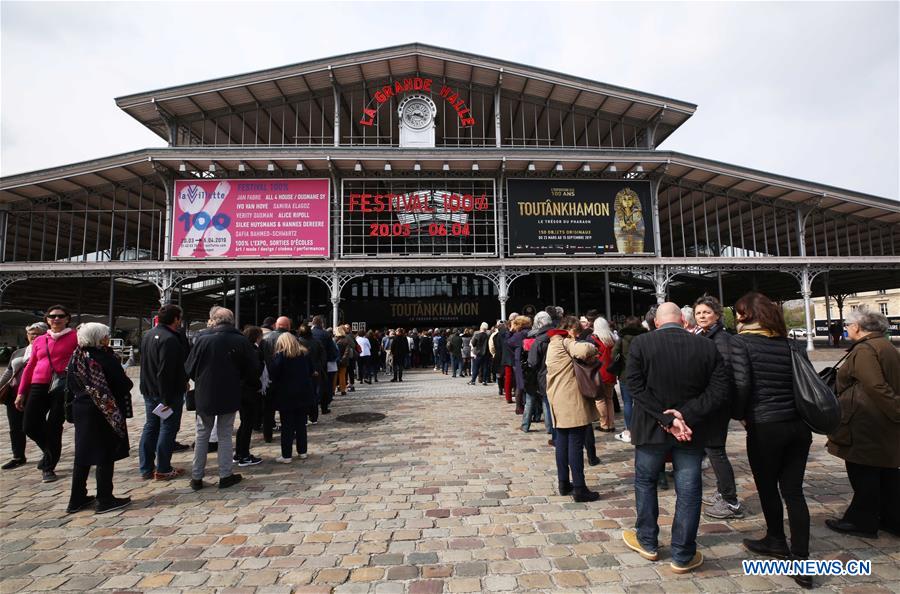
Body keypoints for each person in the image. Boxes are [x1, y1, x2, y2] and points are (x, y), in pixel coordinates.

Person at [622, 302, 729, 574]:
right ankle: (682, 554)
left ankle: (647, 541)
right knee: (689, 491)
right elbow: (719, 391)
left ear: (656, 322)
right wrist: (684, 415)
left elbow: (634, 386)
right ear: (683, 320)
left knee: (645, 482)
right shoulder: (706, 346)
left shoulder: (641, 344)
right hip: (690, 431)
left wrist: (666, 418)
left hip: (650, 429)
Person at [731, 292, 813, 589]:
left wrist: (739, 414)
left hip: (765, 425)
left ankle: (776, 539)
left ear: (746, 315)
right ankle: (802, 559)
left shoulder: (741, 343)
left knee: (767, 486)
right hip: (799, 426)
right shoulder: (793, 344)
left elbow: (741, 384)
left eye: (738, 312)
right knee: (794, 491)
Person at [825, 308, 900, 539]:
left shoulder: (865, 350)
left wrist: (897, 410)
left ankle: (862, 521)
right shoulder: (885, 345)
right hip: (880, 421)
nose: (847, 328)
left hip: (866, 421)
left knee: (863, 471)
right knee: (886, 472)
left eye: (848, 325)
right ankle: (891, 519)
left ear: (858, 327)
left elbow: (875, 386)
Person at [184, 308, 258, 491]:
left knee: (202, 435)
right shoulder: (240, 340)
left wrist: (202, 381)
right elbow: (252, 369)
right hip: (230, 392)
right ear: (231, 320)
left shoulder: (202, 339)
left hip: (205, 393)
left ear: (213, 320)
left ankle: (197, 477)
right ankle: (225, 475)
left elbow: (189, 368)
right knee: (225, 434)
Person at [65, 323, 133, 514]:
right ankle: (105, 499)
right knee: (105, 454)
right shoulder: (104, 357)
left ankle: (76, 499)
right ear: (98, 338)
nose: (107, 338)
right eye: (105, 335)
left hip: (82, 409)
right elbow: (124, 384)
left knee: (83, 455)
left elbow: (70, 383)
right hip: (104, 411)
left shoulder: (76, 356)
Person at [692, 296, 744, 519]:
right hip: (709, 401)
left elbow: (723, 374)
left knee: (716, 451)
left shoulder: (720, 339)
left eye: (706, 312)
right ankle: (723, 492)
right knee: (712, 450)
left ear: (717, 314)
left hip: (716, 404)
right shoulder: (705, 336)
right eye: (698, 313)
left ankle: (730, 501)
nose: (702, 316)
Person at [15, 305, 79, 483]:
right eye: (52, 316)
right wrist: (21, 392)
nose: (56, 319)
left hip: (62, 386)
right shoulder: (40, 340)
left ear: (67, 318)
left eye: (60, 316)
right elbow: (30, 366)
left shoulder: (75, 337)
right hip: (39, 384)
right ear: (47, 319)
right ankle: (49, 451)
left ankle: (48, 466)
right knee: (29, 425)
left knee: (54, 426)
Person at [545, 316, 600, 502]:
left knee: (562, 443)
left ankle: (563, 482)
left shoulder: (552, 344)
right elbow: (584, 349)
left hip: (557, 399)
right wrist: (592, 346)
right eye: (576, 332)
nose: (577, 336)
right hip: (571, 400)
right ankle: (579, 488)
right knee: (576, 444)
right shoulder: (565, 341)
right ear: (569, 330)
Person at [139, 304, 189, 481]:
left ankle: (146, 468)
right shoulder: (170, 339)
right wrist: (166, 398)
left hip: (149, 390)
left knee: (151, 427)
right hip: (167, 393)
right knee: (168, 428)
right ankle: (163, 468)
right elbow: (165, 371)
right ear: (176, 319)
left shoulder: (148, 335)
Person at [0, 322, 48, 470]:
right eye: (31, 333)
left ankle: (49, 453)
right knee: (15, 428)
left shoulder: (46, 351)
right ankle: (18, 456)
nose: (34, 336)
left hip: (35, 394)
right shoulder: (18, 352)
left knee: (34, 426)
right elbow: (9, 371)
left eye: (38, 333)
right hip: (14, 394)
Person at [269, 333, 316, 463]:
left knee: (287, 426)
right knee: (301, 424)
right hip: (303, 394)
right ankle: (302, 451)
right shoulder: (304, 355)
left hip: (286, 395)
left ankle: (286, 455)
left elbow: (273, 374)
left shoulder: (281, 356)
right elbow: (312, 371)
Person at [235, 326, 265, 467]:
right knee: (247, 424)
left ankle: (239, 452)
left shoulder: (240, 348)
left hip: (239, 389)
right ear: (257, 337)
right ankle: (244, 455)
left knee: (243, 423)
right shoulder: (254, 351)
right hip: (250, 390)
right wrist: (259, 384)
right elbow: (255, 371)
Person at [612, 316, 646, 444]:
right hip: (642, 374)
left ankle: (629, 430)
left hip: (625, 374)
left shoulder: (621, 339)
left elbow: (613, 355)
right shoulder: (645, 337)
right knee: (640, 401)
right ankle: (640, 427)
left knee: (627, 402)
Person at [260, 316, 293, 442]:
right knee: (287, 409)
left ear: (276, 325)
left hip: (269, 378)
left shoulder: (266, 338)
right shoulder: (292, 339)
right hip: (286, 379)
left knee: (268, 409)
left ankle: (267, 435)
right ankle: (289, 433)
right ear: (288, 326)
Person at [527, 312, 556, 446]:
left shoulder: (539, 340)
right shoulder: (559, 335)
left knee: (546, 401)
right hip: (559, 374)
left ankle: (551, 428)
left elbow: (532, 361)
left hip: (544, 374)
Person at [590, 317, 618, 432]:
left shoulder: (594, 339)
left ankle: (604, 424)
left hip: (599, 372)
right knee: (609, 399)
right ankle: (611, 424)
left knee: (600, 400)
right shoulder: (612, 339)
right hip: (611, 372)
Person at [311, 315, 340, 413]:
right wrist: (334, 359)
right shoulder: (325, 334)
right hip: (323, 364)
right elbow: (332, 351)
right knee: (325, 386)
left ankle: (312, 409)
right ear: (322, 323)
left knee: (312, 386)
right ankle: (324, 407)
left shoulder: (308, 333)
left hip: (310, 363)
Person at [508, 316, 532, 415]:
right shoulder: (530, 333)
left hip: (520, 362)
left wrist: (510, 331)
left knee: (520, 385)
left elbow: (508, 342)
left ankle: (519, 407)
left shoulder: (517, 335)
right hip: (530, 360)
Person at [334, 325, 354, 395]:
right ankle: (343, 390)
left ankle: (333, 390)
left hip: (336, 361)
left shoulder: (334, 340)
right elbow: (347, 352)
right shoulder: (346, 340)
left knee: (335, 376)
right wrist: (343, 359)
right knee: (342, 376)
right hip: (344, 361)